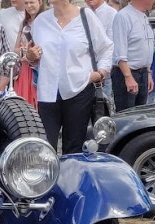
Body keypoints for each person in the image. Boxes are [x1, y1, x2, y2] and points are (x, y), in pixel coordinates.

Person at [28, 0, 112, 153]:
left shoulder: (86, 16)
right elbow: (35, 58)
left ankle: (71, 176)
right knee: (45, 147)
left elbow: (106, 47)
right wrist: (31, 57)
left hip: (79, 90)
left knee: (73, 147)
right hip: (48, 93)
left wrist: (101, 72)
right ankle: (50, 177)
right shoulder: (40, 21)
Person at [111, 0, 155, 111]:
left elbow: (146, 47)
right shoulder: (123, 16)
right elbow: (119, 51)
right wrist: (128, 77)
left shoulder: (144, 16)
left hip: (142, 73)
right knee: (127, 115)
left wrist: (148, 72)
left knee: (140, 115)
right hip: (127, 73)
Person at [13, 0, 43, 106]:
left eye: (32, 2)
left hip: (40, 69)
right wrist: (25, 52)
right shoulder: (24, 23)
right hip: (24, 70)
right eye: (26, 3)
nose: (29, 6)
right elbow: (16, 49)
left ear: (40, 2)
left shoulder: (47, 21)